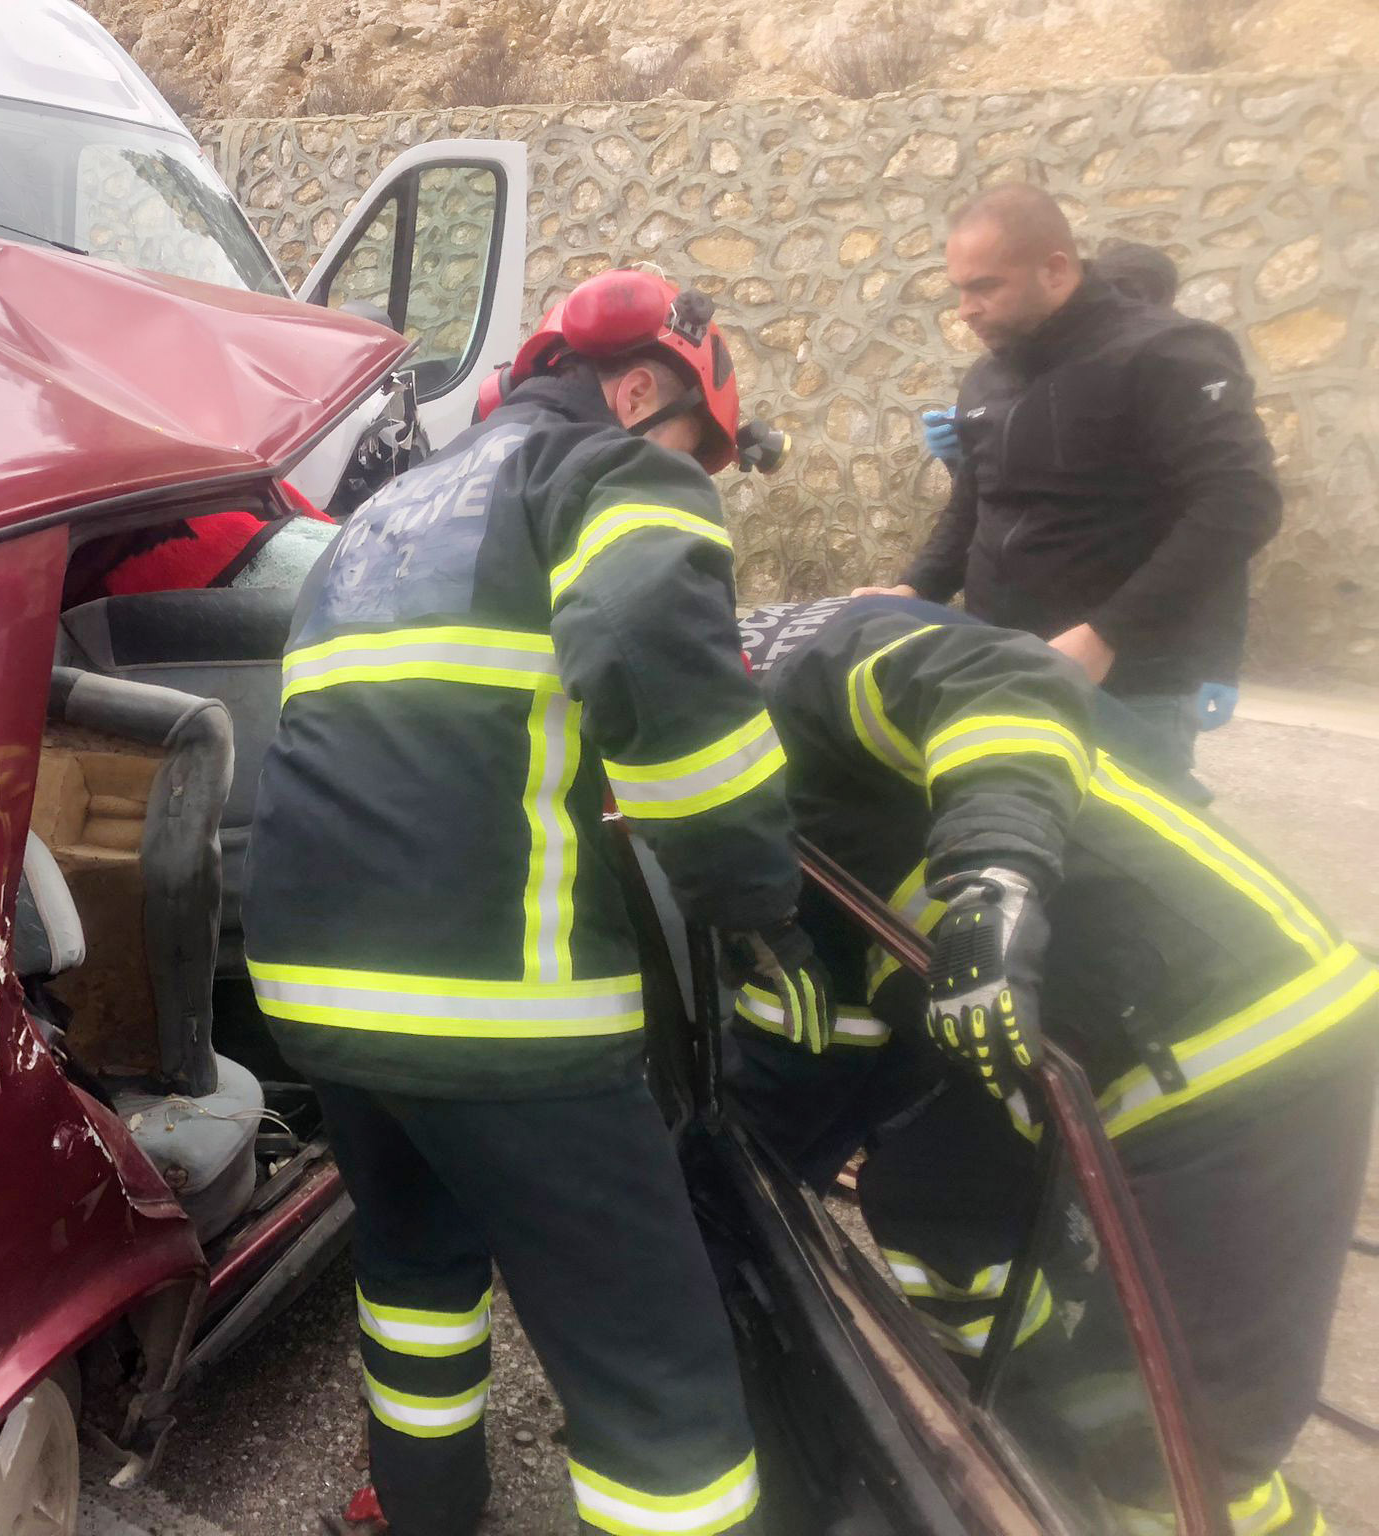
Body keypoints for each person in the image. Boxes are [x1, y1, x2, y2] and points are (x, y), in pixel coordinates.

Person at [245, 269, 829, 1536]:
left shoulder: (386, 513)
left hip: (318, 996)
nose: (696, 476)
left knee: (415, 1275)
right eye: (698, 451)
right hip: (503, 1012)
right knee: (655, 1377)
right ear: (636, 392)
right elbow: (658, 680)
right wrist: (755, 904)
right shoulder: (615, 476)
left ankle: (423, 1511)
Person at [728, 595, 1376, 1536]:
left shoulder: (811, 661)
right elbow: (822, 1022)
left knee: (1178, 1460)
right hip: (1058, 1058)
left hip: (1241, 1058)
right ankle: (1035, 1434)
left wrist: (991, 876)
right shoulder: (726, 752)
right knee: (933, 1205)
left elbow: (1008, 679)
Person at [855, 184, 1281, 776]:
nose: (964, 310)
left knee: (1117, 864)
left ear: (1055, 270)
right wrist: (915, 587)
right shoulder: (987, 376)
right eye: (959, 289)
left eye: (984, 286)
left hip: (1128, 683)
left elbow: (1241, 502)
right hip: (1001, 663)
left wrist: (1107, 634)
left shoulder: (1168, 352)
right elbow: (976, 503)